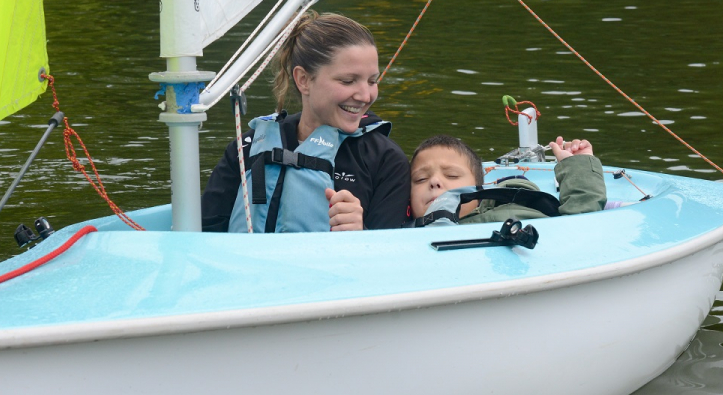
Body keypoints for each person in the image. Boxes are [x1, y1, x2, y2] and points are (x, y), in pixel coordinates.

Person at [201, 11, 410, 233]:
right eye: (348, 81)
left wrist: (359, 233)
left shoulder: (387, 162)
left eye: (372, 81)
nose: (365, 96)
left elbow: (392, 252)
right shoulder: (246, 149)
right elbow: (202, 235)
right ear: (303, 80)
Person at [408, 134, 607, 225]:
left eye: (451, 175)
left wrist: (578, 165)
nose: (434, 181)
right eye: (420, 179)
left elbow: (580, 225)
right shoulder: (401, 234)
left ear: (479, 189)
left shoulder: (514, 211)